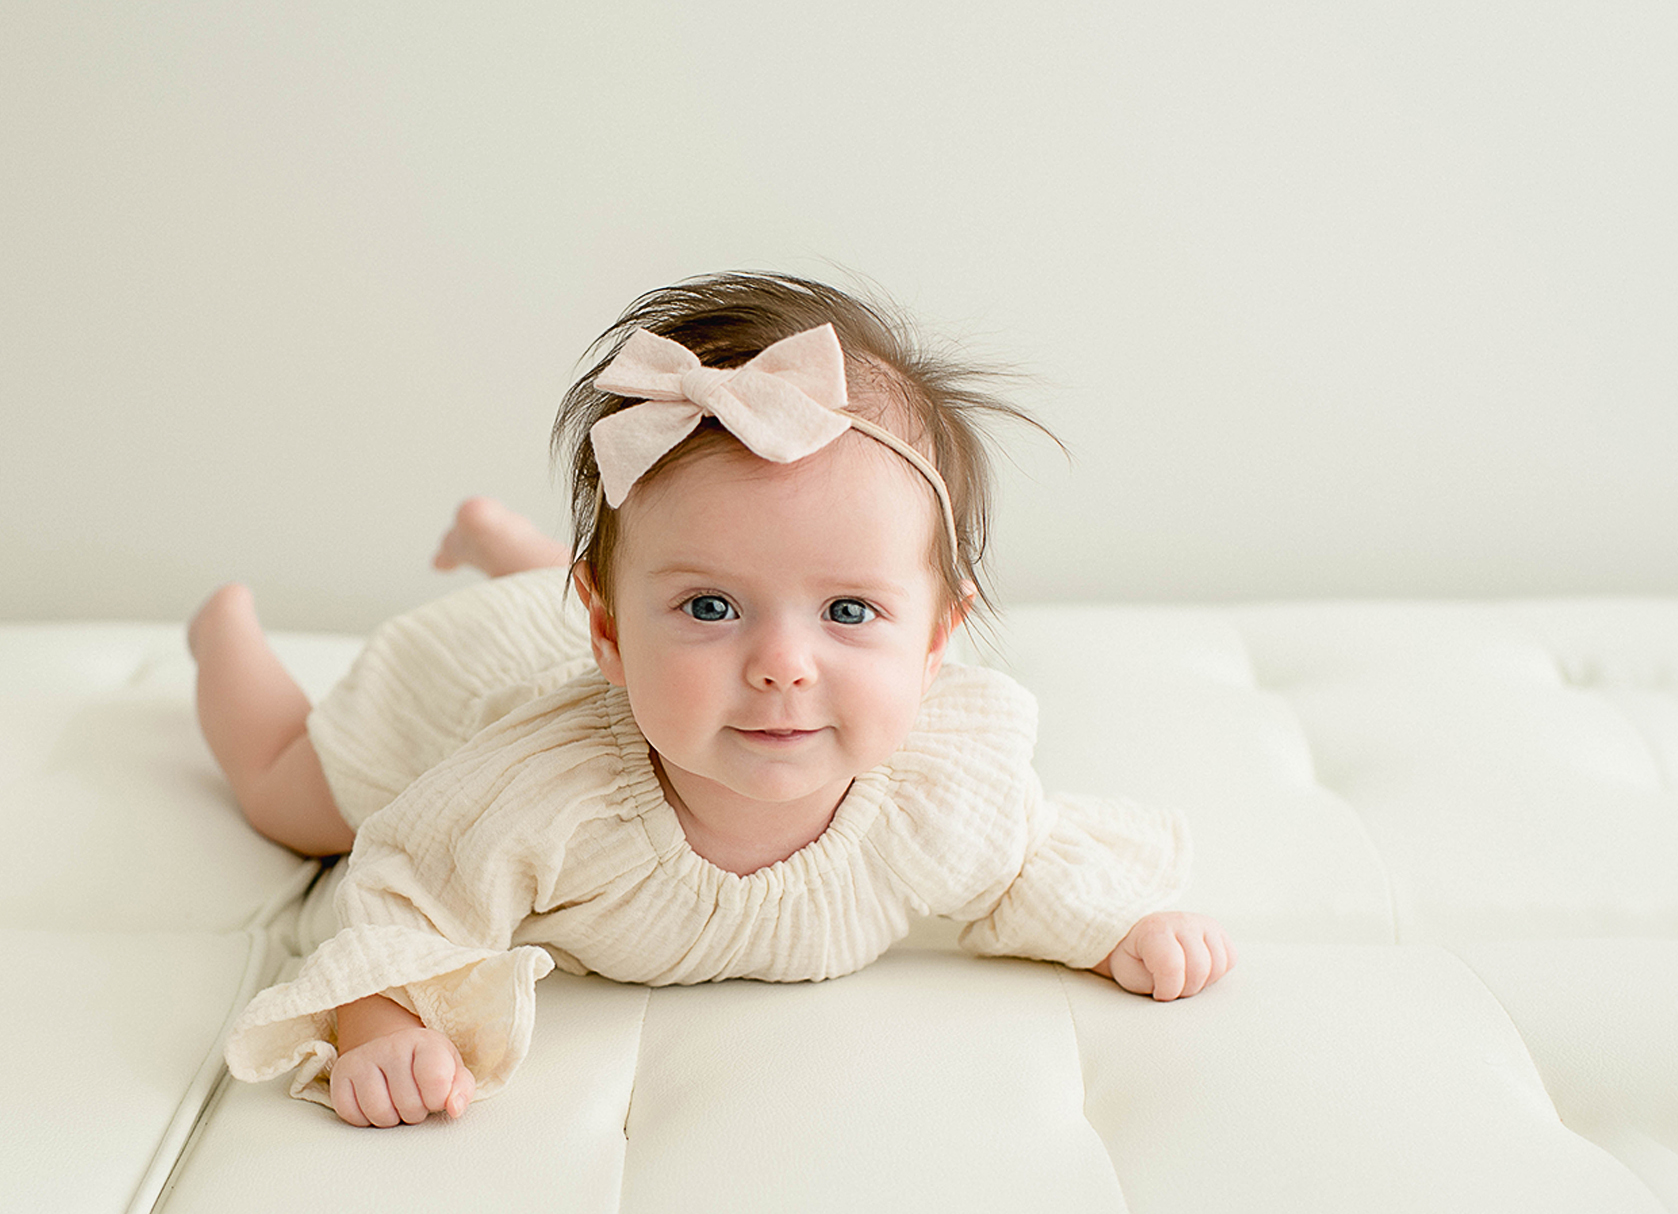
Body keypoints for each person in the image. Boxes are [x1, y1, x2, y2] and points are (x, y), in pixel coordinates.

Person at [199, 272, 1234, 1128]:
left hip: (594, 612)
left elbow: (1022, 861)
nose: (782, 665)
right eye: (711, 605)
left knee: (641, 576)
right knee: (289, 801)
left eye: (846, 610)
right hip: (472, 674)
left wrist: (1117, 924)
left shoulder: (940, 792)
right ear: (606, 633)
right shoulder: (535, 795)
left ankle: (515, 548)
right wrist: (381, 1022)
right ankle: (224, 635)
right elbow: (406, 888)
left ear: (933, 641)